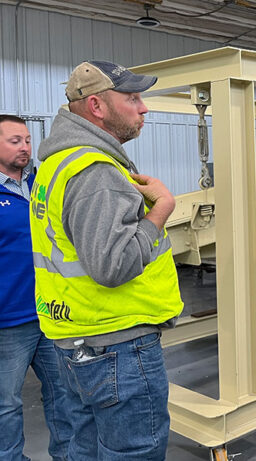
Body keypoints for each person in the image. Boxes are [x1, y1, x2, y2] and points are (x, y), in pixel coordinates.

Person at [29, 61, 184, 460]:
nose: (144, 108)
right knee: (133, 451)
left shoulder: (55, 164)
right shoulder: (94, 170)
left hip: (76, 334)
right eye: (132, 98)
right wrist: (161, 209)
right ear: (96, 105)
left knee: (84, 447)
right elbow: (113, 265)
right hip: (117, 344)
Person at [0, 115, 73, 461]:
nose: (25, 147)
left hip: (51, 312)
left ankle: (70, 456)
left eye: (27, 140)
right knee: (6, 405)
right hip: (8, 321)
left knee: (65, 395)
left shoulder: (42, 184)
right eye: (15, 141)